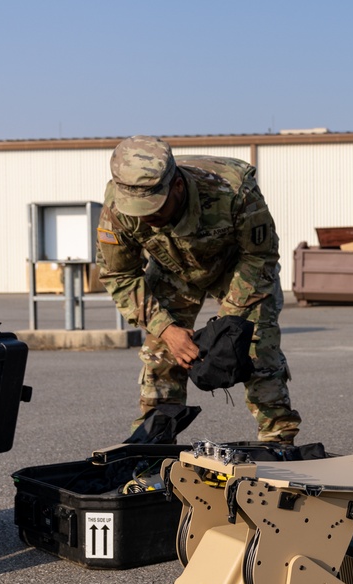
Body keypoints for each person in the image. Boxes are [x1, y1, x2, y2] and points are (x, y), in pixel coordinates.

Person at [96, 135, 300, 442]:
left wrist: (228, 324)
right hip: (172, 271)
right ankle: (153, 448)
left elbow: (260, 257)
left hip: (237, 268)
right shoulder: (118, 207)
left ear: (177, 186)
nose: (147, 219)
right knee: (160, 355)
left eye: (154, 208)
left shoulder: (232, 189)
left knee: (255, 348)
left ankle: (279, 443)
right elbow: (119, 275)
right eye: (138, 211)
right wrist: (166, 329)